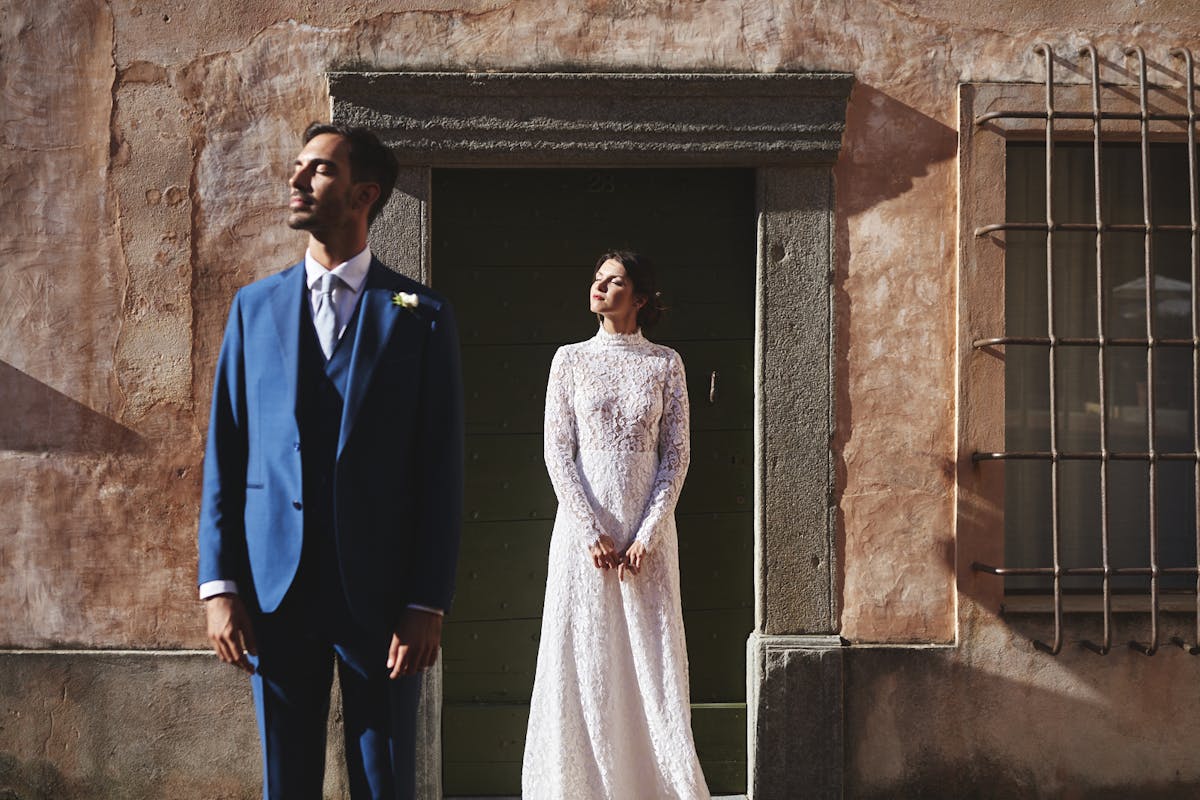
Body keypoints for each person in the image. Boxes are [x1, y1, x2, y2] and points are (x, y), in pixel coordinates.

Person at [197, 122, 463, 799]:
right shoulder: (253, 308)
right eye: (297, 167)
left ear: (363, 194)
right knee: (285, 777)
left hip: (381, 593)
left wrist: (426, 600)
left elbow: (441, 469)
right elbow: (226, 453)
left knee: (385, 776)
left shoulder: (421, 315)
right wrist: (219, 585)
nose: (295, 180)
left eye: (317, 170)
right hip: (274, 589)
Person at [522, 251, 710, 799]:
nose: (600, 288)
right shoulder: (570, 360)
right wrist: (589, 530)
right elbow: (558, 453)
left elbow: (675, 456)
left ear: (641, 297)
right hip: (585, 539)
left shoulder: (665, 364)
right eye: (596, 280)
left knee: (649, 657)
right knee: (585, 652)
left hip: (646, 540)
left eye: (615, 282)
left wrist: (647, 535)